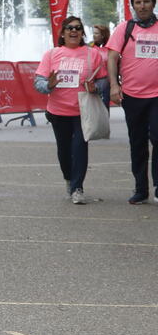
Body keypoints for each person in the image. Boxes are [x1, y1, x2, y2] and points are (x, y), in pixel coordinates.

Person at [34, 16, 107, 205]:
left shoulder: (93, 54)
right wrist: (48, 85)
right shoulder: (51, 54)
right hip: (58, 112)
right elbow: (39, 82)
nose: (73, 31)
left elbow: (103, 79)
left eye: (78, 28)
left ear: (83, 33)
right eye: (69, 28)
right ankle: (69, 178)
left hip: (83, 112)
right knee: (64, 151)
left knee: (80, 148)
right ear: (63, 33)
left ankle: (77, 188)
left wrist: (96, 87)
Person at [106, 0, 158, 204]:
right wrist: (114, 86)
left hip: (157, 96)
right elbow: (111, 57)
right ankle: (140, 188)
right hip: (133, 96)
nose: (142, 6)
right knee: (137, 142)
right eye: (138, 2)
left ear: (153, 3)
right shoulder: (124, 29)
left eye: (146, 1)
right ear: (133, 4)